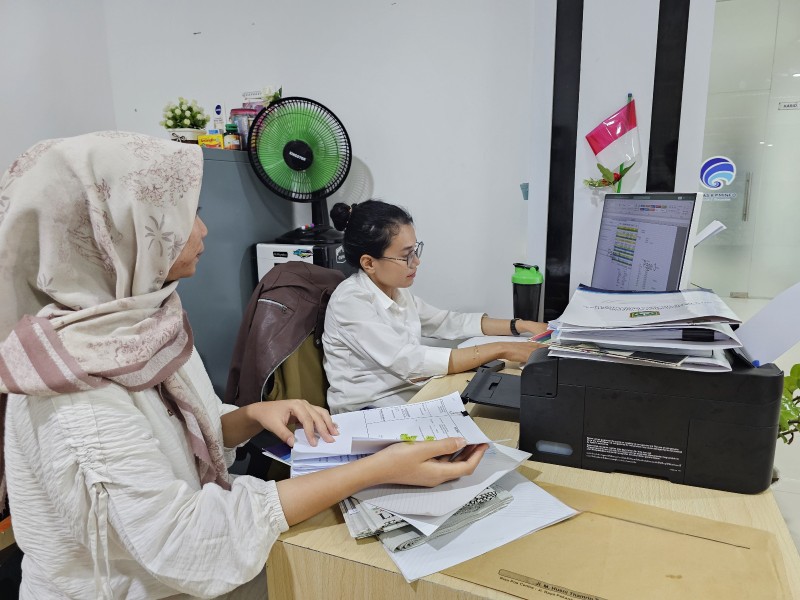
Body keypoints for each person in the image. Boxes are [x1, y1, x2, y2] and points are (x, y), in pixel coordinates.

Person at [0, 132, 487, 600]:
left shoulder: (145, 323)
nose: (204, 230)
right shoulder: (73, 396)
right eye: (189, 215)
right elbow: (184, 544)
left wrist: (251, 415)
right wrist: (374, 469)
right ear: (118, 237)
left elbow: (189, 428)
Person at [323, 199, 548, 414]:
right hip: (368, 412)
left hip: (408, 396)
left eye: (415, 251)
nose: (416, 262)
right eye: (406, 256)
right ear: (369, 263)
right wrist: (502, 348)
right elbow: (409, 361)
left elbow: (446, 322)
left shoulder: (396, 291)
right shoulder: (350, 301)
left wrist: (521, 325)